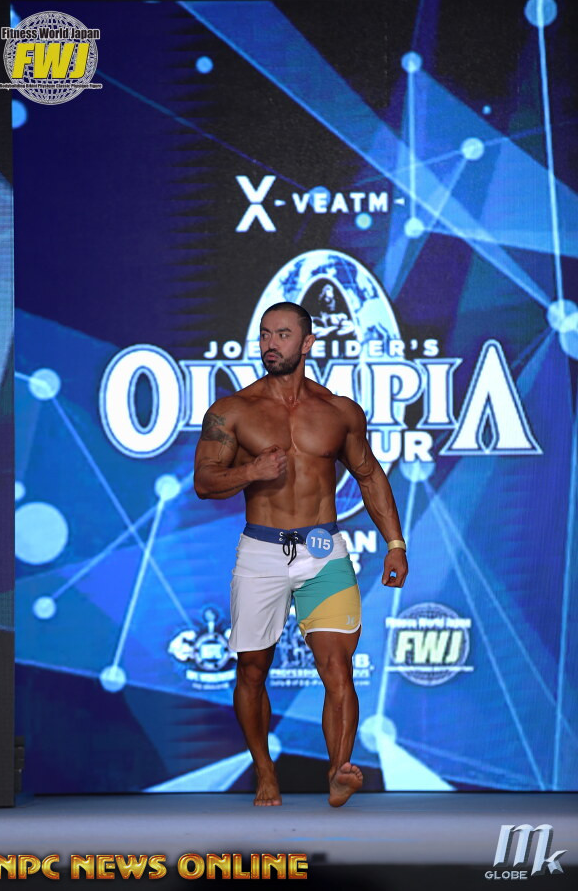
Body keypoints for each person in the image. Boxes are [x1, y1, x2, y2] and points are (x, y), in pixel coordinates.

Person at [194, 302, 408, 807]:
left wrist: (395, 544)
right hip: (262, 551)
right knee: (252, 669)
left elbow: (369, 475)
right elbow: (204, 482)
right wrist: (251, 472)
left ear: (307, 343)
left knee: (338, 667)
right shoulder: (233, 411)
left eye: (283, 334)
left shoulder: (339, 411)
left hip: (322, 550)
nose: (271, 344)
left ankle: (338, 770)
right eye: (265, 334)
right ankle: (265, 771)